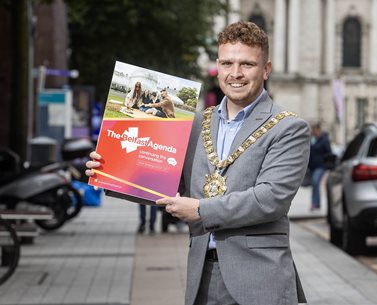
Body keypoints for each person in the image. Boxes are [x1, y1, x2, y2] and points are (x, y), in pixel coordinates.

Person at [86, 21, 309, 305]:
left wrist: (201, 210)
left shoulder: (288, 127)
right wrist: (110, 170)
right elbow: (166, 182)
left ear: (265, 69)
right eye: (227, 63)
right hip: (202, 276)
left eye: (247, 64)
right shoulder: (195, 123)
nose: (235, 73)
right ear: (217, 66)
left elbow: (270, 199)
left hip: (260, 280)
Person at [308, 123, 332, 210]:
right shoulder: (311, 140)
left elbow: (329, 153)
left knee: (315, 182)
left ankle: (314, 203)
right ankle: (317, 204)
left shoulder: (324, 140)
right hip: (312, 167)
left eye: (315, 130)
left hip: (320, 166)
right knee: (314, 185)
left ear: (318, 130)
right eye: (312, 130)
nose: (313, 132)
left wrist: (325, 162)